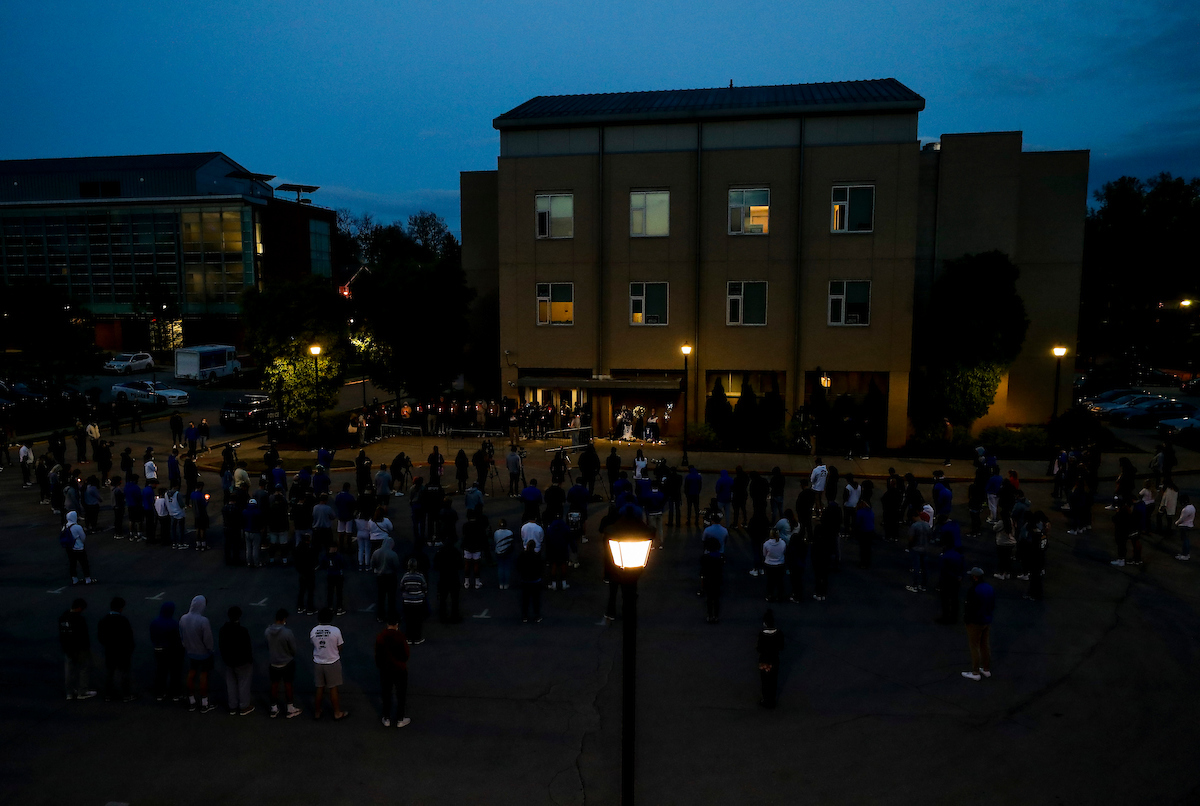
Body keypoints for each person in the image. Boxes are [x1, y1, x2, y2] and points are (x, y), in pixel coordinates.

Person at [180, 595, 216, 712]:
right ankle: (204, 703)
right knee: (203, 676)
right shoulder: (203, 621)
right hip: (203, 653)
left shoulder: (183, 618)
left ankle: (191, 700)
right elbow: (208, 639)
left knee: (191, 674)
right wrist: (210, 649)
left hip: (191, 652)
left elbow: (182, 635)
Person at [310, 609, 348, 720]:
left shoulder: (314, 630)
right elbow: (340, 646)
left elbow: (313, 643)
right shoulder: (335, 631)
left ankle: (317, 712)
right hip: (332, 662)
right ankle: (337, 712)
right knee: (333, 688)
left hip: (318, 662)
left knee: (319, 688)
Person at [375, 611, 412, 728]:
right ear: (397, 624)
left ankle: (386, 717)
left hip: (385, 669)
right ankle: (400, 718)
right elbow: (406, 654)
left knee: (386, 693)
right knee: (401, 693)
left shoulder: (381, 636)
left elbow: (378, 654)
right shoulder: (400, 637)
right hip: (399, 669)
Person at [265, 609, 302, 718]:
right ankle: (290, 708)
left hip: (273, 662)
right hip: (286, 662)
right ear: (284, 619)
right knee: (288, 684)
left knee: (274, 684)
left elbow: (268, 645)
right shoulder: (287, 632)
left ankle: (273, 708)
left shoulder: (267, 631)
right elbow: (293, 649)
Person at [58, 597, 97, 700]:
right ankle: (82, 691)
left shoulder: (63, 617)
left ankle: (69, 692)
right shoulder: (79, 619)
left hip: (67, 648)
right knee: (84, 668)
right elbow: (84, 636)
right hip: (80, 649)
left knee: (69, 670)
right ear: (79, 608)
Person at [219, 606, 254, 716]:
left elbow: (221, 645)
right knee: (243, 683)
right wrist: (249, 659)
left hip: (229, 661)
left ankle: (232, 706)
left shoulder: (223, 629)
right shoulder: (242, 631)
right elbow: (247, 647)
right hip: (242, 661)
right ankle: (243, 706)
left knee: (231, 684)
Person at [962, 568, 995, 681]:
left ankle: (975, 672)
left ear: (975, 577)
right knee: (985, 645)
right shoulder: (989, 588)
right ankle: (986, 669)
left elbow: (970, 607)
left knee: (974, 646)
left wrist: (966, 620)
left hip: (975, 622)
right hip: (987, 620)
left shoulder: (973, 589)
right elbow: (992, 604)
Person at [150, 601, 184, 702]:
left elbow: (152, 636)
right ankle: (175, 694)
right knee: (174, 672)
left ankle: (159, 693)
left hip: (158, 649)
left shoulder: (155, 622)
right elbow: (177, 639)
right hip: (171, 650)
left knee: (161, 671)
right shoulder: (173, 624)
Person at [756, 610, 784, 708]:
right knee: (773, 680)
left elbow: (759, 648)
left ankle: (765, 699)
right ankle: (772, 700)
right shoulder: (779, 633)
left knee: (765, 680)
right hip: (774, 659)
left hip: (764, 660)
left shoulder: (761, 634)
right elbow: (781, 647)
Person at [371, 536, 401, 620]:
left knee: (381, 597)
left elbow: (372, 564)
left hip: (380, 577)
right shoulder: (393, 554)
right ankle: (392, 615)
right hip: (391, 577)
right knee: (391, 597)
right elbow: (396, 566)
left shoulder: (376, 552)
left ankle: (380, 615)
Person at [63, 511, 95, 585]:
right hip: (79, 548)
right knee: (84, 563)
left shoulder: (65, 526)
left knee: (72, 564)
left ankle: (74, 579)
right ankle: (87, 579)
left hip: (70, 548)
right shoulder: (78, 527)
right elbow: (83, 537)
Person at [400, 559, 428, 644]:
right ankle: (417, 638)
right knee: (418, 620)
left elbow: (401, 587)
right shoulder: (420, 576)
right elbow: (425, 587)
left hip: (408, 601)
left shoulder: (405, 576)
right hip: (418, 601)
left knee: (408, 620)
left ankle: (408, 637)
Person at [936, 543, 965, 624]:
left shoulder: (945, 556)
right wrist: (960, 576)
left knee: (945, 599)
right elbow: (963, 567)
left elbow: (942, 569)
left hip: (947, 579)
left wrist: (940, 582)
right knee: (955, 598)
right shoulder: (959, 555)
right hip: (956, 579)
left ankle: (945, 617)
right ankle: (954, 617)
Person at [517, 539, 544, 623]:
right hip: (535, 581)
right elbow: (541, 567)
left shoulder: (522, 555)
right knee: (536, 600)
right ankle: (537, 616)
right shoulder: (537, 556)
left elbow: (518, 566)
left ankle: (525, 616)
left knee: (525, 600)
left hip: (525, 580)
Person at [906, 511, 932, 593]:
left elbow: (910, 538)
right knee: (925, 568)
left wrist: (910, 546)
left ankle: (915, 585)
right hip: (925, 549)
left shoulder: (914, 526)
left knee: (916, 567)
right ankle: (923, 585)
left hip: (916, 549)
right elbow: (930, 536)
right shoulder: (927, 525)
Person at [700, 536, 724, 623]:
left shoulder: (705, 558)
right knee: (716, 599)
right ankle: (716, 616)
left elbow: (702, 570)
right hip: (717, 579)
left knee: (709, 599)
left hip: (708, 579)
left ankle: (710, 615)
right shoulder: (720, 557)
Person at [322, 542, 348, 615]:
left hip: (330, 575)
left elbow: (323, 565)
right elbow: (343, 564)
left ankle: (330, 607)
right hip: (338, 575)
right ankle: (339, 607)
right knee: (339, 592)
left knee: (330, 591)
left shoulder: (326, 556)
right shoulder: (338, 556)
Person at [762, 529, 787, 602]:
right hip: (780, 564)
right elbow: (784, 551)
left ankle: (770, 595)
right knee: (780, 581)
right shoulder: (782, 543)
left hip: (769, 564)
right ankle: (780, 595)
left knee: (770, 581)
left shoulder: (766, 544)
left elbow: (764, 554)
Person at [1175, 494, 1195, 561]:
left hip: (1184, 526)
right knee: (1187, 540)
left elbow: (1182, 519)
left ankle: (1184, 555)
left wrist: (1176, 523)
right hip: (1190, 525)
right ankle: (1186, 554)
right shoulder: (1192, 507)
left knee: (1184, 541)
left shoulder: (1185, 510)